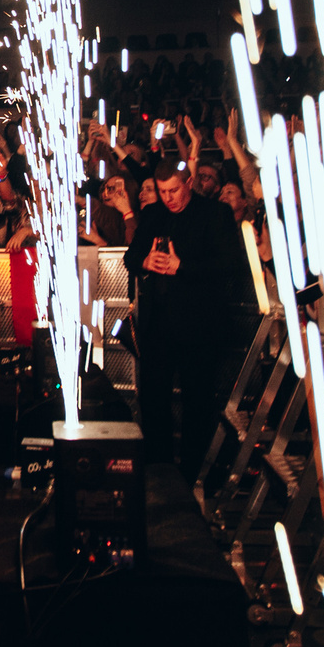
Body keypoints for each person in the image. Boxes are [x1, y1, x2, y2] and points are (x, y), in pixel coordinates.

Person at [122, 159, 234, 476]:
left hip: (200, 325)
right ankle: (159, 469)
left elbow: (229, 263)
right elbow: (130, 257)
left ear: (188, 183)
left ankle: (192, 473)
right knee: (153, 398)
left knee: (197, 402)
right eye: (162, 191)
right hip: (159, 324)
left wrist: (180, 267)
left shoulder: (214, 213)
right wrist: (146, 260)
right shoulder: (155, 214)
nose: (169, 198)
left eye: (174, 190)